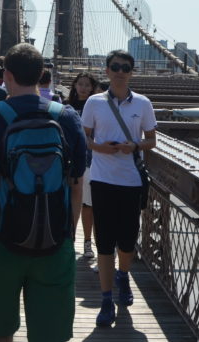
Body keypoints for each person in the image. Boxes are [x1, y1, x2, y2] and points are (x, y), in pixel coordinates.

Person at [0, 43, 87, 342]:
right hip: (55, 243)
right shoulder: (67, 118)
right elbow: (76, 186)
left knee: (0, 333)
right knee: (51, 336)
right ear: (41, 74)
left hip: (2, 240)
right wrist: (68, 235)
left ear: (6, 74)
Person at [81, 50, 156, 327]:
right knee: (104, 243)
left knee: (127, 240)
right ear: (107, 70)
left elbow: (152, 140)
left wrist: (134, 146)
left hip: (131, 180)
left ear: (132, 72)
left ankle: (123, 275)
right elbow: (83, 136)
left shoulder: (144, 104)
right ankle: (105, 299)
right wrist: (99, 147)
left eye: (125, 67)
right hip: (102, 179)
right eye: (115, 66)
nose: (120, 71)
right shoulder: (94, 102)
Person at [67, 72, 100, 260]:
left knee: (88, 204)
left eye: (88, 85)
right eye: (80, 84)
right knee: (66, 202)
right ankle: (68, 239)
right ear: (74, 85)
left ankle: (88, 242)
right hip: (69, 162)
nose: (84, 88)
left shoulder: (97, 108)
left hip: (90, 161)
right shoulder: (66, 108)